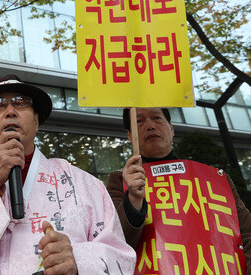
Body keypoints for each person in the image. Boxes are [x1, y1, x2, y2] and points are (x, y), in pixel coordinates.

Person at [0, 74, 136, 274]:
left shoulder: (84, 185)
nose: (10, 111)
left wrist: (79, 259)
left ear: (37, 122)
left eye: (21, 103)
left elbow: (121, 257)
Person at [107, 107, 251, 271]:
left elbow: (246, 233)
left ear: (172, 129)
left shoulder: (214, 179)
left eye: (157, 118)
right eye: (139, 121)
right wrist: (133, 199)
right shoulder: (121, 180)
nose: (150, 126)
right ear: (130, 136)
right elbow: (115, 240)